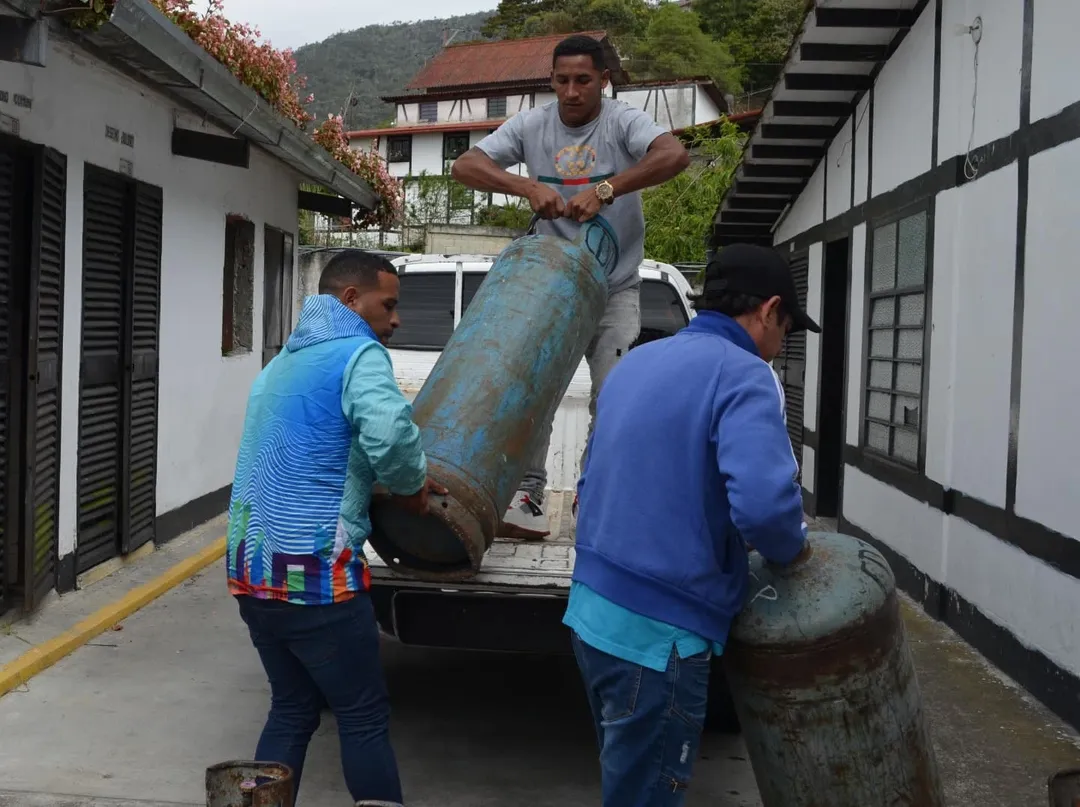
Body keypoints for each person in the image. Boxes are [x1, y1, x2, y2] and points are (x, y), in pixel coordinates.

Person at [563, 243, 818, 806]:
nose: (782, 344)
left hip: (591, 611)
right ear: (770, 309)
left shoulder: (638, 362)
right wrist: (798, 555)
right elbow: (766, 509)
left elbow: (590, 477)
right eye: (787, 328)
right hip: (659, 634)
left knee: (626, 781)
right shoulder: (744, 374)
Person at [225, 249, 444, 806]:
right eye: (388, 305)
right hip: (316, 580)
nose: (396, 319)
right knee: (362, 715)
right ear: (351, 300)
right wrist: (412, 487)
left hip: (253, 574)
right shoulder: (358, 354)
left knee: (291, 709)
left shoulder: (281, 363)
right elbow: (391, 436)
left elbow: (315, 450)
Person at [451, 33, 691, 540]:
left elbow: (674, 155)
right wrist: (524, 185)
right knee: (533, 390)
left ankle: (594, 494)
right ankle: (527, 496)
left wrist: (605, 189)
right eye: (561, 81)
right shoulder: (531, 124)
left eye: (583, 80)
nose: (571, 91)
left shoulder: (623, 121)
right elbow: (465, 165)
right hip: (548, 286)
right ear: (551, 81)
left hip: (613, 287)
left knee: (615, 395)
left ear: (604, 80)